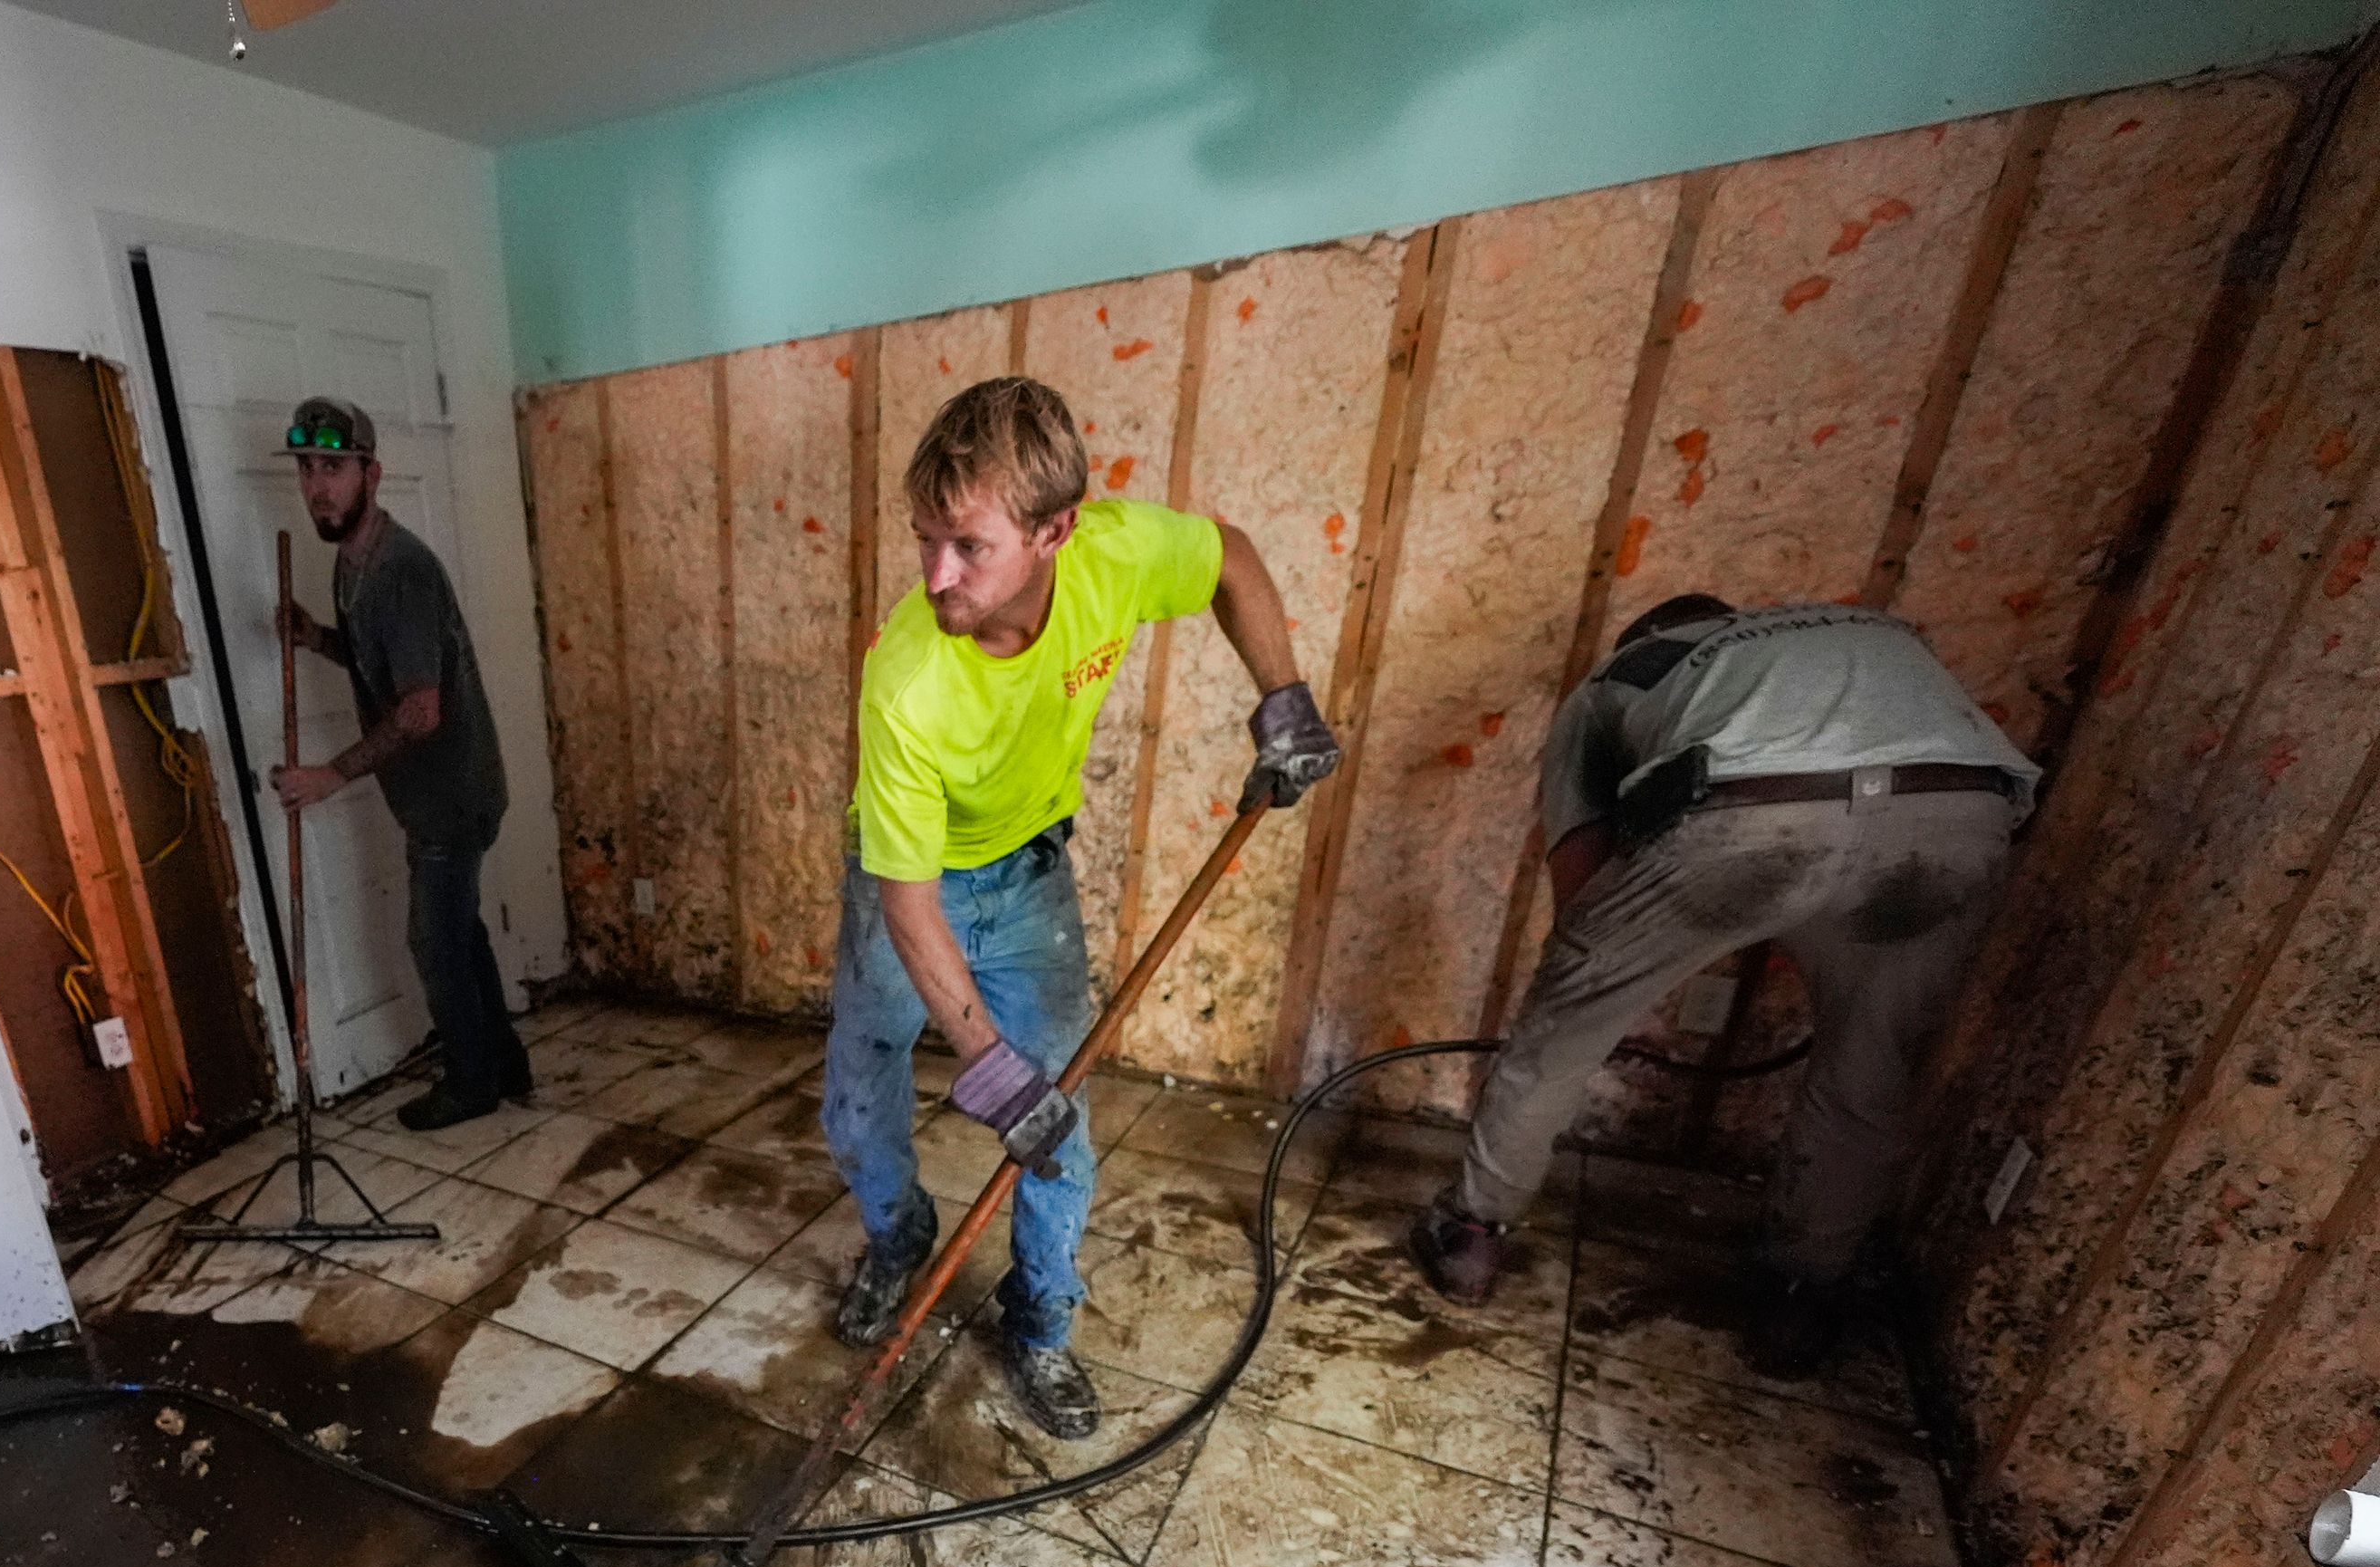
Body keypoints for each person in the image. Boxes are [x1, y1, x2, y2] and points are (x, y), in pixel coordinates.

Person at [827, 377, 1340, 1439]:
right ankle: (894, 1232)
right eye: (924, 538)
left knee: (1056, 1115)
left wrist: (1281, 697)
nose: (935, 575)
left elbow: (1230, 557)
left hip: (1028, 877)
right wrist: (982, 1060)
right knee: (860, 1086)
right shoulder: (908, 679)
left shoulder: (1112, 556)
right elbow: (911, 905)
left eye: (968, 546)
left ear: (1056, 530)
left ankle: (1041, 1317)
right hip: (902, 881)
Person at [1407, 592, 2036, 1376]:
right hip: (1961, 813)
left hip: (1752, 808)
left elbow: (1582, 897)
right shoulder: (1862, 627)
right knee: (1872, 1071)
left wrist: (1633, 956)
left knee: (1558, 1036)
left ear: (1649, 635)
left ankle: (1471, 1233)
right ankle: (1801, 1298)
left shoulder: (1615, 681)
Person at [270, 395, 529, 1130]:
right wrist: (317, 636)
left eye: (336, 468)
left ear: (371, 474)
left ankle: (473, 1082)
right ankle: (504, 1063)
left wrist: (331, 776)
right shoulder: (352, 566)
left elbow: (420, 710)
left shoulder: (398, 572)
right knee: (460, 932)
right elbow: (380, 663)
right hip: (432, 794)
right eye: (308, 469)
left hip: (452, 794)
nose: (319, 485)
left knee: (434, 940)